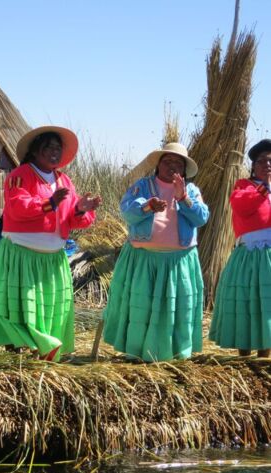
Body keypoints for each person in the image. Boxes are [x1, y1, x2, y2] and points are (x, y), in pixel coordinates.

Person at [0, 126, 101, 361]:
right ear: (35, 151)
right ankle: (14, 353)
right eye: (48, 147)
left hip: (52, 260)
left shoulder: (64, 180)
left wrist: (80, 208)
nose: (54, 152)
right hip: (21, 255)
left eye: (57, 148)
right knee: (17, 306)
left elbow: (71, 220)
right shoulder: (21, 175)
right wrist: (49, 203)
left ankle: (42, 352)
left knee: (48, 309)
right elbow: (18, 206)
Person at [102, 143, 209, 362]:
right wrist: (148, 206)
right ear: (158, 164)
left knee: (176, 307)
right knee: (141, 307)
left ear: (184, 169)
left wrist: (183, 198)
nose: (172, 165)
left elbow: (202, 218)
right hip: (143, 260)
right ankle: (136, 353)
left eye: (178, 162)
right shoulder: (142, 186)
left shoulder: (192, 190)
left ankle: (175, 353)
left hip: (178, 262)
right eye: (167, 161)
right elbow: (127, 211)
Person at [209, 139, 271, 357]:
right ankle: (243, 355)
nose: (268, 164)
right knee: (247, 301)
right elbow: (242, 207)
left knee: (267, 303)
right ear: (253, 165)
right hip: (250, 255)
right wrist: (264, 189)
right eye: (263, 160)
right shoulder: (244, 186)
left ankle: (265, 353)